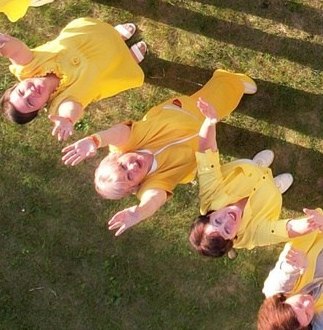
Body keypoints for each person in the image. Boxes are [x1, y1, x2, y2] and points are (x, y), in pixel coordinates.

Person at [60, 67, 257, 234]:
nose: (131, 167)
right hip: (194, 150)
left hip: (186, 113)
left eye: (122, 165)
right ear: (135, 187)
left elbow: (117, 133)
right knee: (213, 120)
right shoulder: (154, 183)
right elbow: (153, 200)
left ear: (118, 155)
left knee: (219, 99)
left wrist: (95, 140)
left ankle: (229, 79)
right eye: (129, 177)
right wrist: (139, 213)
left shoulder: (129, 142)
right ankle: (218, 109)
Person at [0, 18, 146, 141]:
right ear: (39, 110)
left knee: (106, 34)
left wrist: (2, 44)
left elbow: (16, 52)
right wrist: (68, 119)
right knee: (120, 64)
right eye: (30, 102)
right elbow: (71, 107)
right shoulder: (59, 104)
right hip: (107, 69)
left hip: (90, 38)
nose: (30, 93)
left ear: (19, 83)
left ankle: (115, 34)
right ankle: (128, 58)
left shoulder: (29, 67)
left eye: (21, 91)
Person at [187, 101, 297, 257]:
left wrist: (210, 122)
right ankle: (275, 187)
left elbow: (206, 153)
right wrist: (309, 224)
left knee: (251, 165)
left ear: (208, 216)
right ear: (233, 239)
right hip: (268, 198)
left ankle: (258, 165)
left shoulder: (209, 194)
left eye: (217, 221)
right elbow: (283, 231)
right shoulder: (249, 237)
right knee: (273, 192)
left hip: (247, 170)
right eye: (227, 230)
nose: (227, 220)